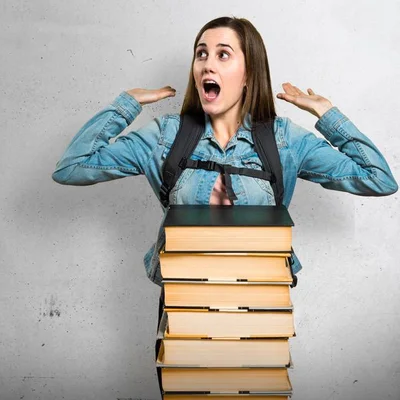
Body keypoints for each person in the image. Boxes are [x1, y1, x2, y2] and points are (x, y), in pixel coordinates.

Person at [51, 16, 398, 286]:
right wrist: (125, 105)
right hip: (185, 309)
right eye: (201, 53)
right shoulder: (164, 137)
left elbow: (379, 179)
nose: (207, 64)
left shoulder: (284, 141)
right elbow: (72, 168)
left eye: (223, 54)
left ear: (249, 74)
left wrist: (327, 114)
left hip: (259, 308)